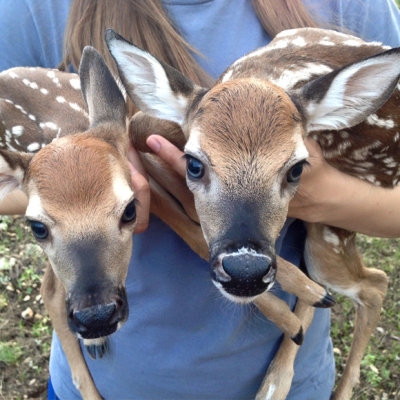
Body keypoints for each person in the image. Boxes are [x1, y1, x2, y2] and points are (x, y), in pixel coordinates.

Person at [0, 0, 400, 398]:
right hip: (112, 378)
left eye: (293, 170)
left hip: (293, 382)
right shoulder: (35, 11)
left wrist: (316, 195)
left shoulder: (350, 5)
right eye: (195, 168)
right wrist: (103, 190)